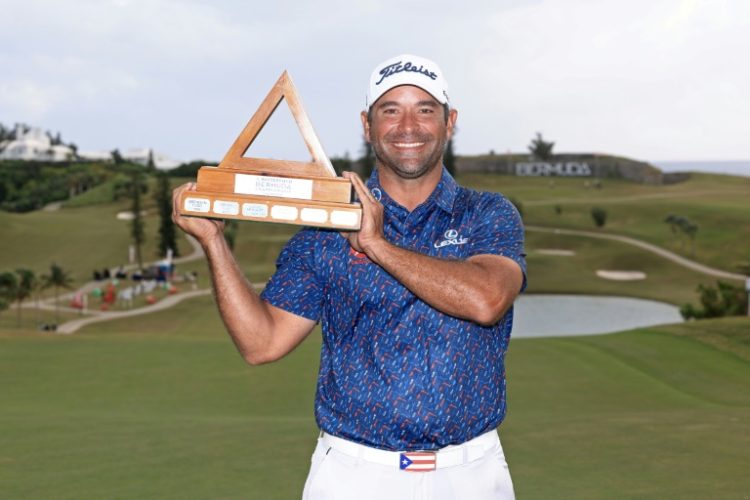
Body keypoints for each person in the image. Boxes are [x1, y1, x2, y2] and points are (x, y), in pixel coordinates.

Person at [172, 54, 526, 500]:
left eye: (425, 109)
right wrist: (213, 243)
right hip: (355, 474)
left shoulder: (486, 213)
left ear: (449, 121)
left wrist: (377, 246)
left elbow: (487, 299)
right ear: (367, 124)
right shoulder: (326, 229)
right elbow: (262, 343)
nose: (408, 126)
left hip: (471, 473)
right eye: (390, 110)